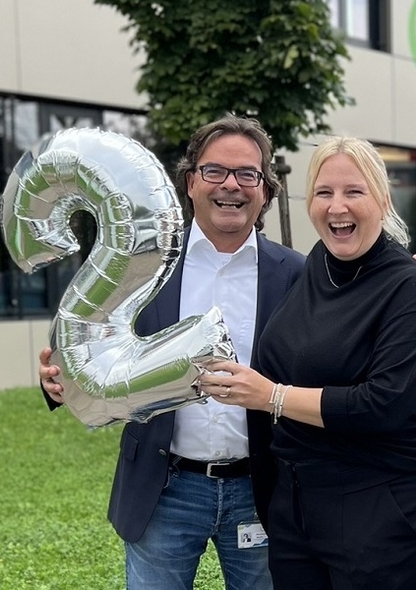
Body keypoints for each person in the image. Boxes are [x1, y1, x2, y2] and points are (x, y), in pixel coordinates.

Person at [39, 115, 305, 590]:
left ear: (265, 190)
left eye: (248, 174)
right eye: (215, 171)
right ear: (190, 181)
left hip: (261, 489)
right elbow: (95, 343)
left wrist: (409, 273)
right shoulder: (142, 262)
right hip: (164, 487)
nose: (231, 185)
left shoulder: (297, 274)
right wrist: (60, 381)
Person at [199, 137, 416, 590]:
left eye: (354, 191)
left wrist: (272, 397)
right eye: (324, 192)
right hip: (297, 510)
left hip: (384, 511)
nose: (338, 207)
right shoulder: (315, 265)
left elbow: (384, 404)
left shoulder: (412, 287)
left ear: (382, 199)